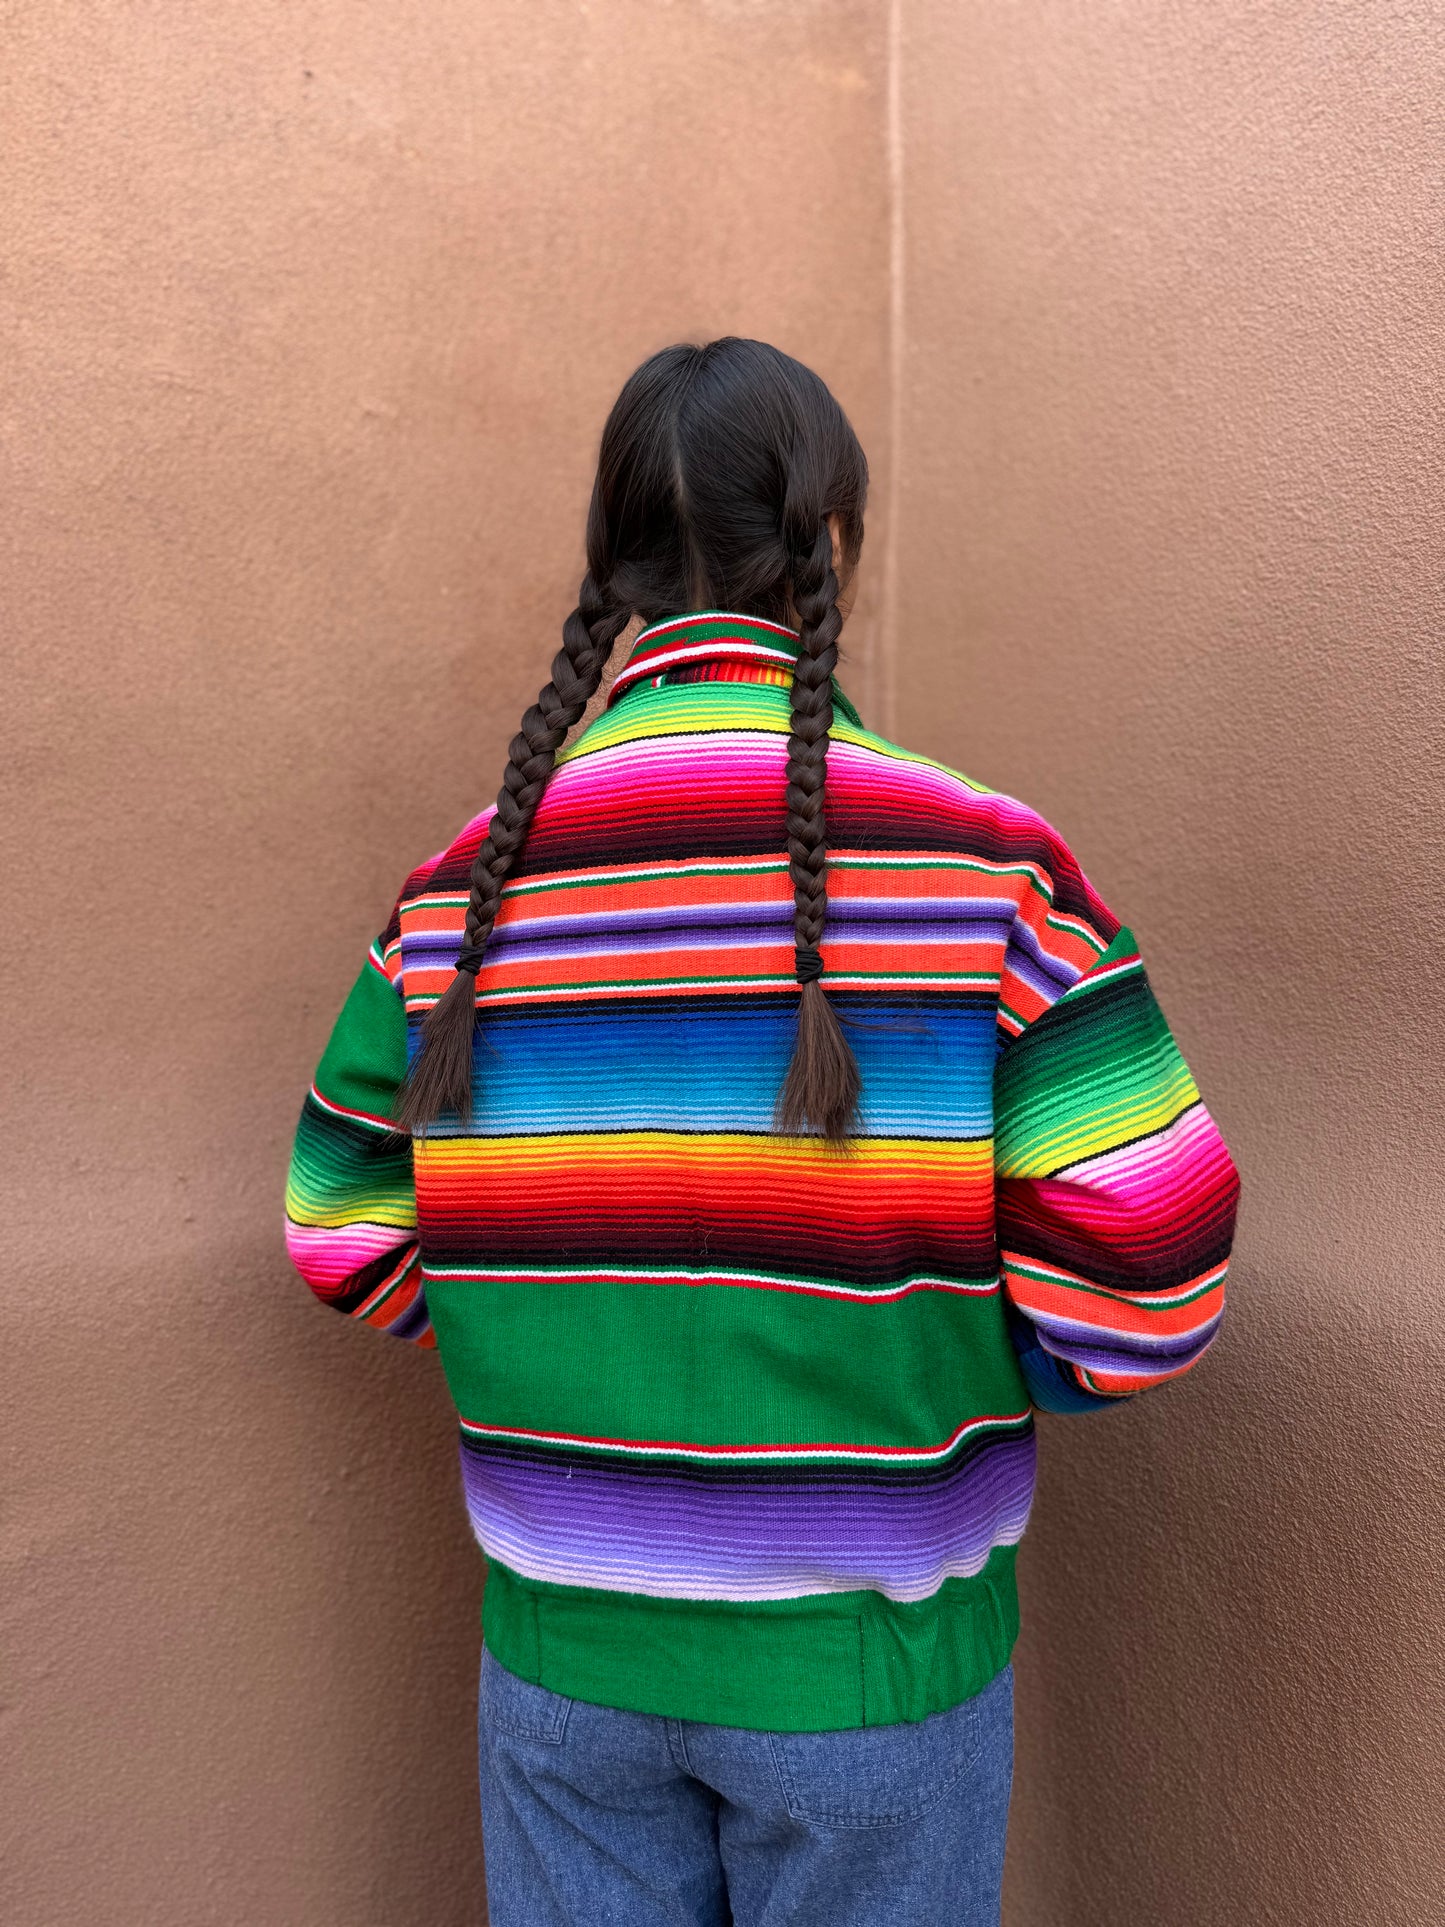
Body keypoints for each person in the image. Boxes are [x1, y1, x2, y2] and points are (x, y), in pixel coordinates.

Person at [284, 337, 1240, 1926]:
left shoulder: (459, 895)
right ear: (830, 541)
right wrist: (938, 1372)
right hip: (873, 1670)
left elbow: (339, 1225)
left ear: (612, 566)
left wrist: (559, 1328)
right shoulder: (985, 871)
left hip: (563, 1665)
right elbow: (1153, 1272)